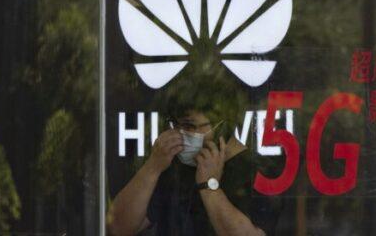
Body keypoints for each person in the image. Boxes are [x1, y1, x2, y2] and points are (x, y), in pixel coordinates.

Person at [107, 85, 281, 235]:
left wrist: (209, 186)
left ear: (221, 126)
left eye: (190, 126)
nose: (182, 134)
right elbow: (118, 227)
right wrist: (153, 167)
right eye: (177, 125)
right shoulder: (175, 168)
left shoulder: (253, 171)